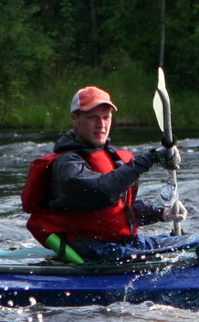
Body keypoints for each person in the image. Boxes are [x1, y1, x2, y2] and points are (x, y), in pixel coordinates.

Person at [21, 85, 185, 262]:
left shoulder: (113, 155)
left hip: (120, 246)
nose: (101, 124)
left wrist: (162, 213)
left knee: (190, 242)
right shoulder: (67, 164)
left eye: (106, 117)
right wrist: (150, 158)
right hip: (92, 250)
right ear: (75, 119)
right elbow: (103, 192)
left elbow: (120, 211)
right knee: (171, 254)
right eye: (93, 117)